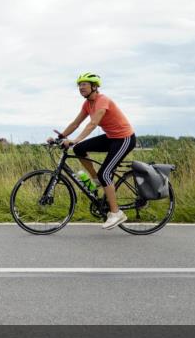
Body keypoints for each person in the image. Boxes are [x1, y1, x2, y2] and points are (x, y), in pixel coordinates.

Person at [51, 72, 136, 230]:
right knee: (80, 149)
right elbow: (76, 123)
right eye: (79, 85)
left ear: (94, 86)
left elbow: (93, 124)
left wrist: (76, 139)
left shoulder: (102, 101)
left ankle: (116, 213)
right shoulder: (87, 104)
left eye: (84, 84)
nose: (81, 87)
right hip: (111, 137)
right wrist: (61, 136)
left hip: (125, 139)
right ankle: (95, 179)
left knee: (105, 173)